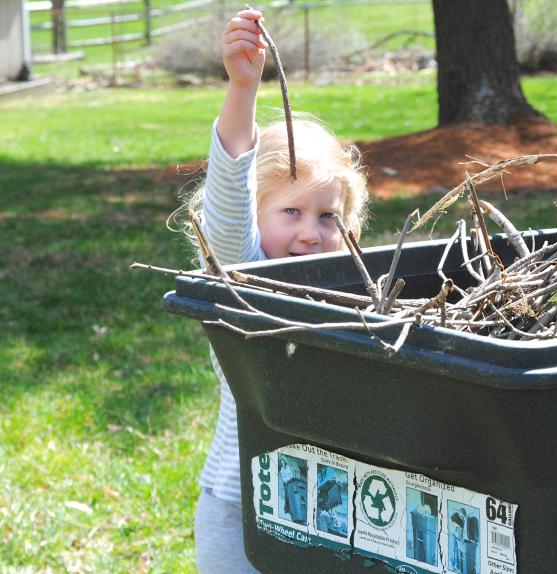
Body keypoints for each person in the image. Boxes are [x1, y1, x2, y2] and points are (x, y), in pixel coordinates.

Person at [176, 8, 368, 572]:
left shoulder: (358, 292)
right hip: (240, 507)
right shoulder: (241, 275)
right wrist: (243, 90)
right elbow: (230, 204)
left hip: (333, 511)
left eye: (327, 216)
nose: (311, 232)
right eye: (290, 211)